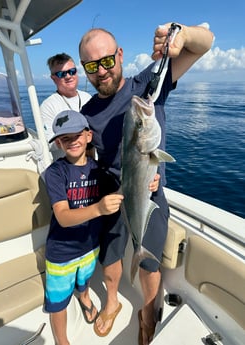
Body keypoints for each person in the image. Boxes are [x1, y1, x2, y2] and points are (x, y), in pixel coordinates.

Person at [78, 24, 214, 344]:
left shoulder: (147, 85)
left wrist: (183, 36)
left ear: (120, 55)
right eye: (92, 66)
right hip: (111, 192)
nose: (102, 71)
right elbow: (89, 156)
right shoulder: (87, 111)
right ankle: (111, 301)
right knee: (109, 257)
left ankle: (148, 314)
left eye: (107, 61)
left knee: (149, 262)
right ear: (85, 69)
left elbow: (204, 44)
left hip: (149, 193)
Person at [44, 109, 124, 345]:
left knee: (84, 280)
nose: (72, 142)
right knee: (58, 302)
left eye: (77, 135)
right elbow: (63, 217)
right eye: (65, 139)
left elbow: (124, 190)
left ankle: (85, 297)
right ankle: (62, 340)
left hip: (90, 247)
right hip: (62, 253)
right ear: (58, 143)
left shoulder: (100, 171)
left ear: (88, 136)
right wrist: (98, 209)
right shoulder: (55, 173)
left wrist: (149, 181)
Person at [40, 53, 92, 159]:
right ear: (53, 78)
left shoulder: (87, 97)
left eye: (72, 71)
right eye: (61, 74)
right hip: (66, 170)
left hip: (92, 164)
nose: (68, 76)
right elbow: (48, 143)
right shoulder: (47, 106)